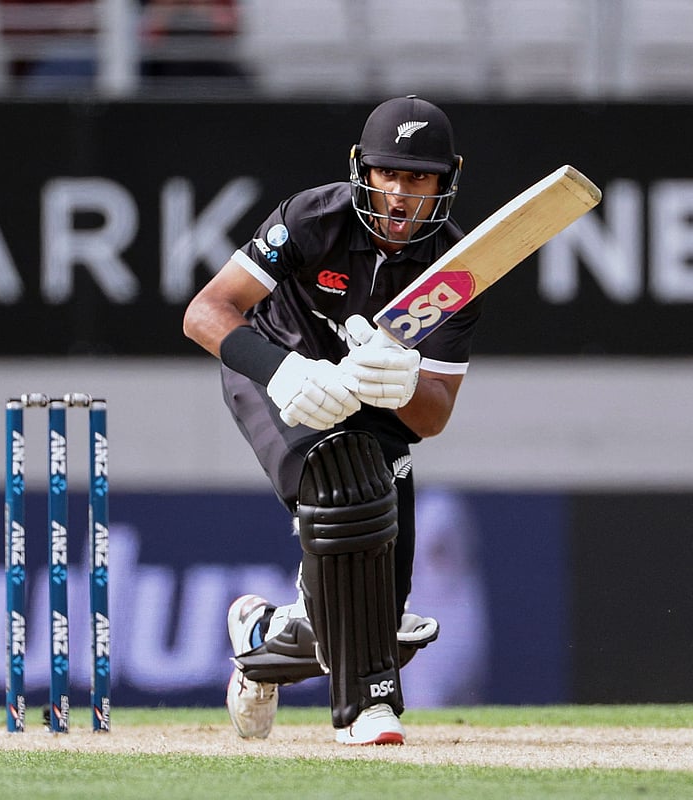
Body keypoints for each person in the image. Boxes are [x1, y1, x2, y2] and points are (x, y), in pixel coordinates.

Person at [183, 96, 483, 745]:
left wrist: (405, 382)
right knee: (340, 484)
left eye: (418, 177)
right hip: (277, 376)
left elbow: (434, 413)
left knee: (374, 617)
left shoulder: (455, 269)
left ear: (447, 179)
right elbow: (206, 311)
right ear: (361, 169)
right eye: (387, 173)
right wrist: (282, 370)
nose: (399, 193)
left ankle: (262, 635)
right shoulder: (312, 219)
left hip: (373, 397)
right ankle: (365, 710)